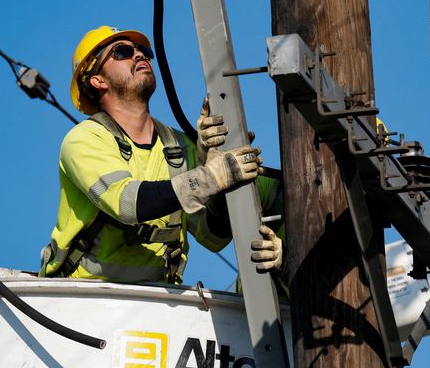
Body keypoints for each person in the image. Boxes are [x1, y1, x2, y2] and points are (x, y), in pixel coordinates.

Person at [39, 26, 283, 285]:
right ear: (97, 80)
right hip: (83, 297)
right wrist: (208, 177)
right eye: (122, 52)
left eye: (142, 50)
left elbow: (214, 237)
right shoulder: (85, 139)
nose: (139, 55)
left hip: (155, 303)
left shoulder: (178, 147)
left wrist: (219, 188)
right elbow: (127, 203)